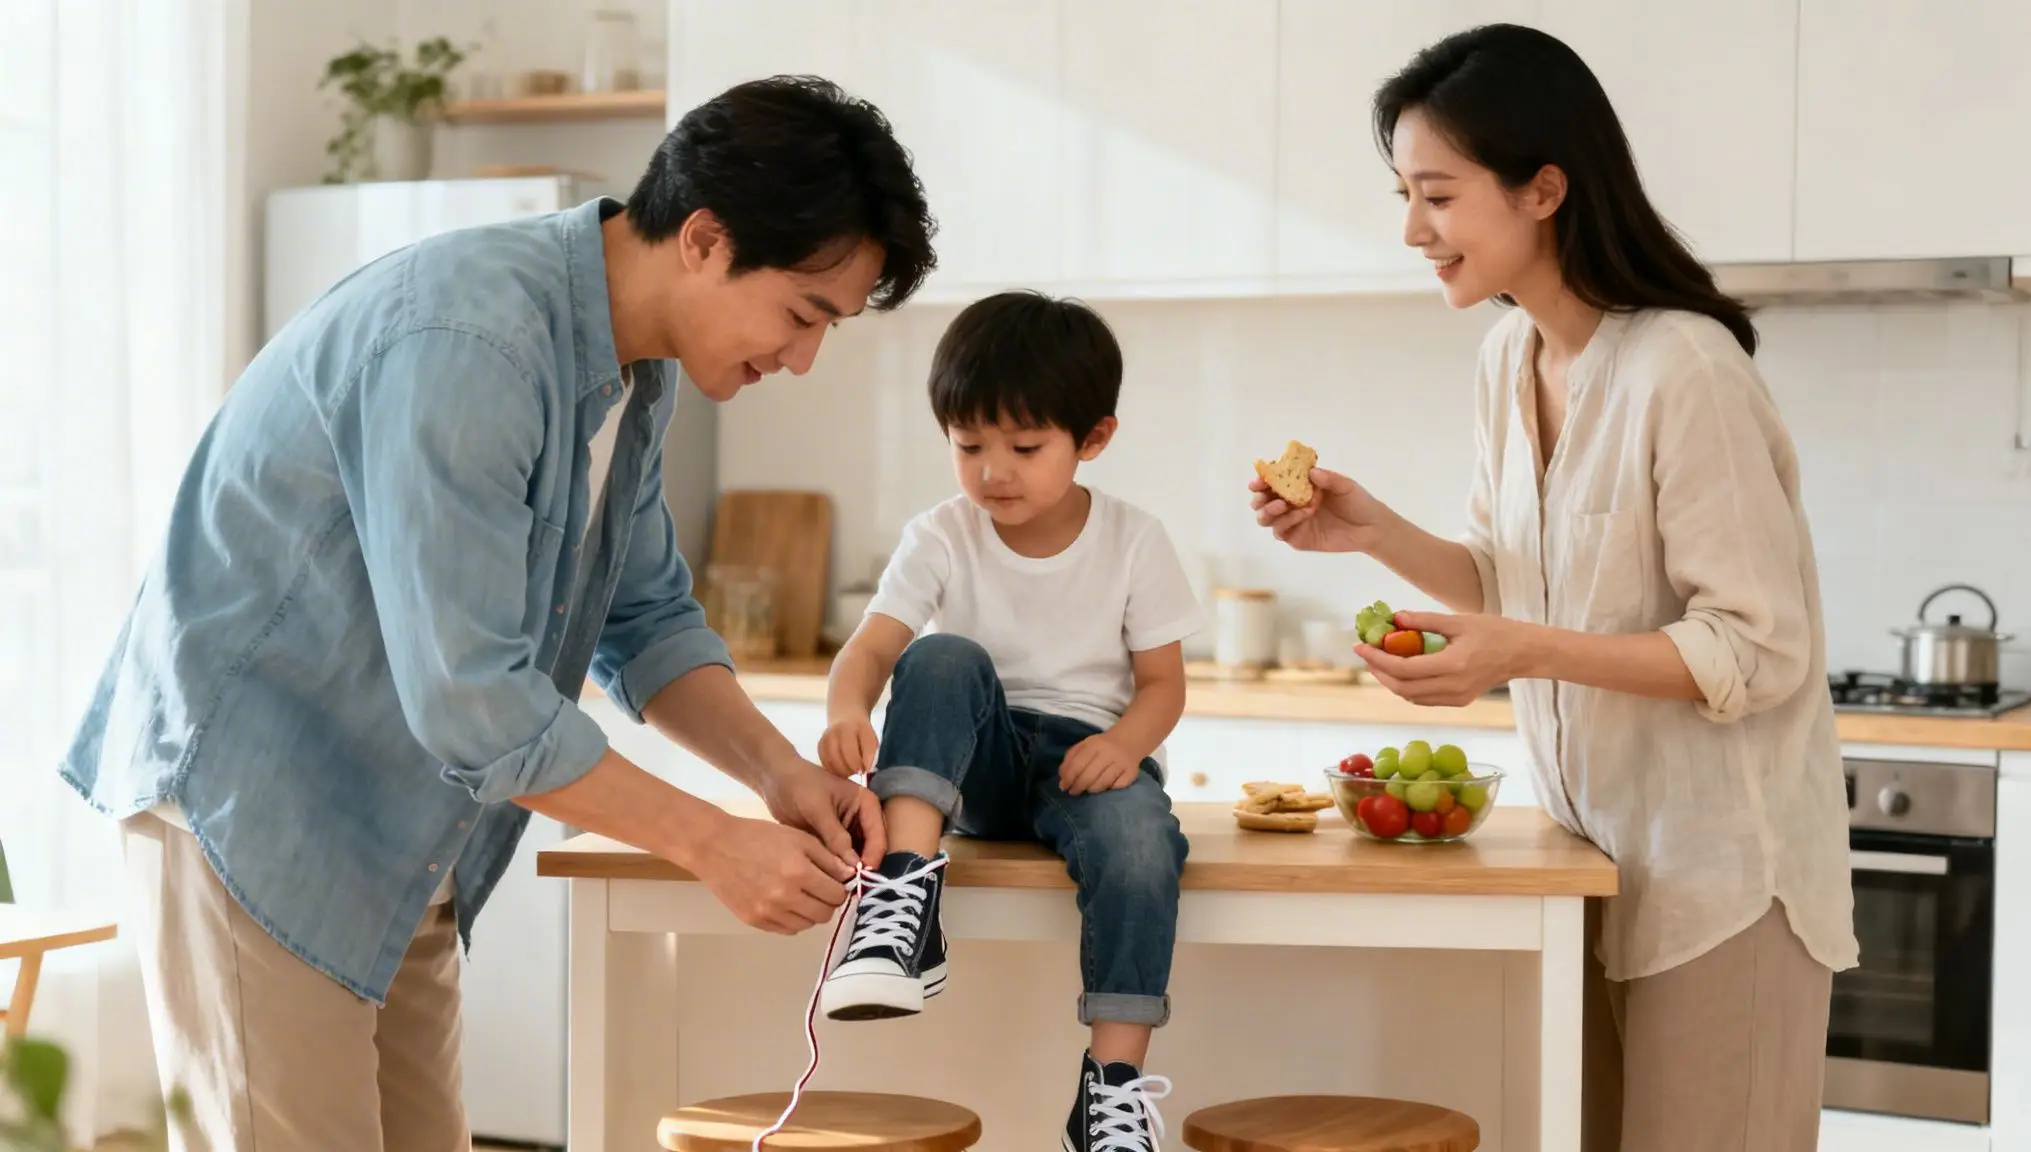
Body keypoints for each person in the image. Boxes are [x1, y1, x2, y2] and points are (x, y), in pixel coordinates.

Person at [59, 75, 937, 1151]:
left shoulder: (638, 370)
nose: (802, 359)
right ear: (705, 240)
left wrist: (776, 774)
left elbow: (646, 619)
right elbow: (470, 699)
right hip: (260, 811)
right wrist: (712, 843)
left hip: (401, 831)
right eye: (803, 315)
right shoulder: (471, 340)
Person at [1250, 24, 1856, 1152]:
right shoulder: (1507, 360)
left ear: (1543, 189)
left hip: (1725, 881)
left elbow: (1755, 648)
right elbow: (1507, 579)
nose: (1412, 229)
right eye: (1404, 195)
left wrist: (1522, 653)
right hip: (1590, 863)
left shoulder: (1685, 367)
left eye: (1437, 195)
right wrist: (1371, 531)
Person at [816, 290, 1203, 1152]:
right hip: (978, 755)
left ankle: (1112, 1091)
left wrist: (1125, 745)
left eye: (1024, 448)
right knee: (941, 656)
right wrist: (846, 706)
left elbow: (1163, 686)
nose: (993, 471)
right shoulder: (941, 534)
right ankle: (904, 905)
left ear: (1092, 439)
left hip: (1089, 761)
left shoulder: (1135, 539)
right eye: (969, 446)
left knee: (1142, 850)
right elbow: (871, 649)